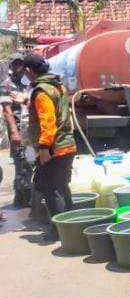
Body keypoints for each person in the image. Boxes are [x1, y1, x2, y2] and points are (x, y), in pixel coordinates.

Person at [23, 53, 76, 239]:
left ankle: (60, 231)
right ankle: (71, 228)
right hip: (67, 143)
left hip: (54, 148)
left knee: (51, 189)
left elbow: (48, 122)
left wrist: (44, 149)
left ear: (29, 71)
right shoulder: (58, 85)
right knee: (62, 187)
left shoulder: (41, 91)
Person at [0, 53, 33, 210]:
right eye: (15, 64)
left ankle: (24, 197)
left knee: (29, 163)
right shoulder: (6, 85)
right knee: (22, 163)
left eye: (21, 63)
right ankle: (23, 199)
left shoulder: (26, 82)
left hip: (28, 130)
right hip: (18, 130)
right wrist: (14, 132)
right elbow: (7, 111)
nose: (19, 66)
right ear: (11, 66)